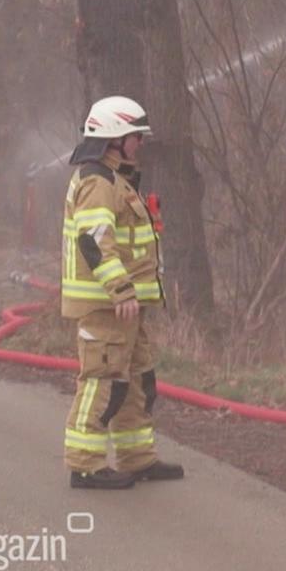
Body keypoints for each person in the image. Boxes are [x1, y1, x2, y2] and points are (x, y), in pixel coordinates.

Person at [60, 95, 183, 490]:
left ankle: (137, 458)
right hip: (107, 306)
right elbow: (95, 242)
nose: (140, 143)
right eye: (135, 136)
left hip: (126, 307)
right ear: (115, 138)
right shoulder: (97, 182)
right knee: (102, 383)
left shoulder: (115, 179)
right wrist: (120, 289)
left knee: (136, 381)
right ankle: (85, 465)